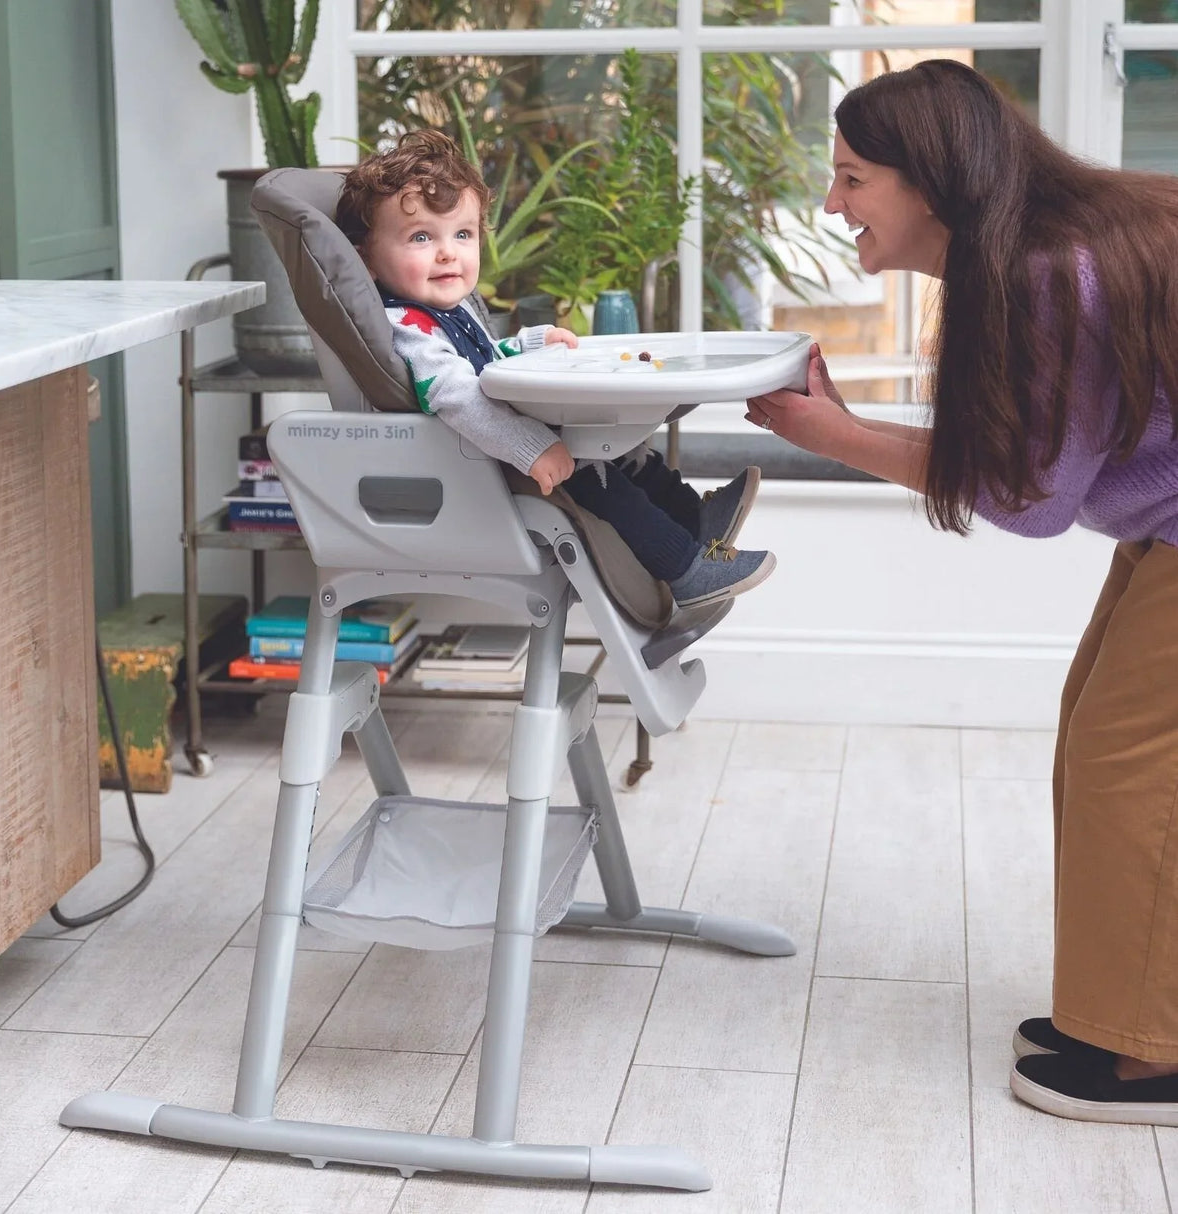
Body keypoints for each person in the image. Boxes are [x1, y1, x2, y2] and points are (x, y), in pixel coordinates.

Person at [746, 59, 1178, 1125]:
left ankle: (1146, 1055)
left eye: (850, 177)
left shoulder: (1047, 273)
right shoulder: (1032, 255)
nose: (830, 202)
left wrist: (831, 433)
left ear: (928, 182)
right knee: (1097, 734)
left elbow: (1028, 497)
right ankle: (1127, 1008)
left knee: (1128, 768)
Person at [334, 130, 775, 609]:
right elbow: (453, 391)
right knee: (596, 470)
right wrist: (531, 447)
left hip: (499, 446)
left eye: (462, 234)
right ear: (368, 261)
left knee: (623, 449)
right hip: (484, 462)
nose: (448, 252)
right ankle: (685, 569)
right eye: (421, 237)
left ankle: (695, 519)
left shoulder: (442, 309)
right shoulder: (406, 325)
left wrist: (525, 344)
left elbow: (479, 359)